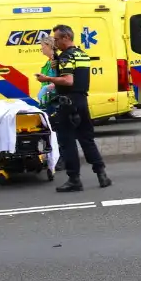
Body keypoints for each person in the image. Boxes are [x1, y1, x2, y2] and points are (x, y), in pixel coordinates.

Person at [35, 25, 111, 192]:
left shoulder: (66, 57)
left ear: (65, 38)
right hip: (82, 101)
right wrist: (57, 66)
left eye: (56, 39)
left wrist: (48, 78)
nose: (54, 42)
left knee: (67, 142)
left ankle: (74, 179)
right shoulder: (82, 54)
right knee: (87, 139)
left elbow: (68, 81)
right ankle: (101, 174)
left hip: (67, 103)